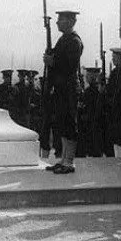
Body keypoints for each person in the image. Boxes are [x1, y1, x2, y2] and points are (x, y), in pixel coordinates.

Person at [42, 10, 84, 175]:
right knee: (62, 123)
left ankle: (69, 161)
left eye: (61, 19)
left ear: (71, 22)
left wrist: (52, 61)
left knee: (69, 123)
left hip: (68, 88)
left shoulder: (74, 41)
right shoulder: (64, 39)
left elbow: (69, 65)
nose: (58, 22)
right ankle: (64, 159)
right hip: (61, 87)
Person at [106, 48, 121, 157]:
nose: (113, 59)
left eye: (114, 57)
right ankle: (119, 155)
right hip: (116, 105)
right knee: (116, 134)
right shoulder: (116, 71)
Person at [79, 67, 108, 157]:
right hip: (96, 121)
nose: (86, 78)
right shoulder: (99, 90)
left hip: (92, 121)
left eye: (87, 76)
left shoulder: (89, 91)